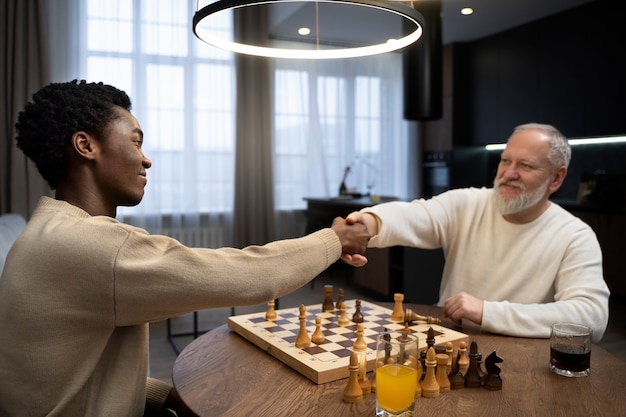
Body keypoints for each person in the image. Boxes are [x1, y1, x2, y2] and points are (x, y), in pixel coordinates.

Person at [0, 80, 370, 417]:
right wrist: (335, 239)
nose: (146, 159)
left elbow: (72, 373)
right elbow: (252, 276)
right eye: (135, 141)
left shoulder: (47, 231)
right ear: (86, 146)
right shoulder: (86, 243)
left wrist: (163, 395)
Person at [343, 123, 610, 342]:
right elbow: (416, 215)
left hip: (525, 357)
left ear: (557, 178)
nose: (509, 173)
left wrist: (488, 312)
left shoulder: (575, 235)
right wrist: (365, 224)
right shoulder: (469, 204)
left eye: (526, 166)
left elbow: (591, 317)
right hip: (450, 341)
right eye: (505, 160)